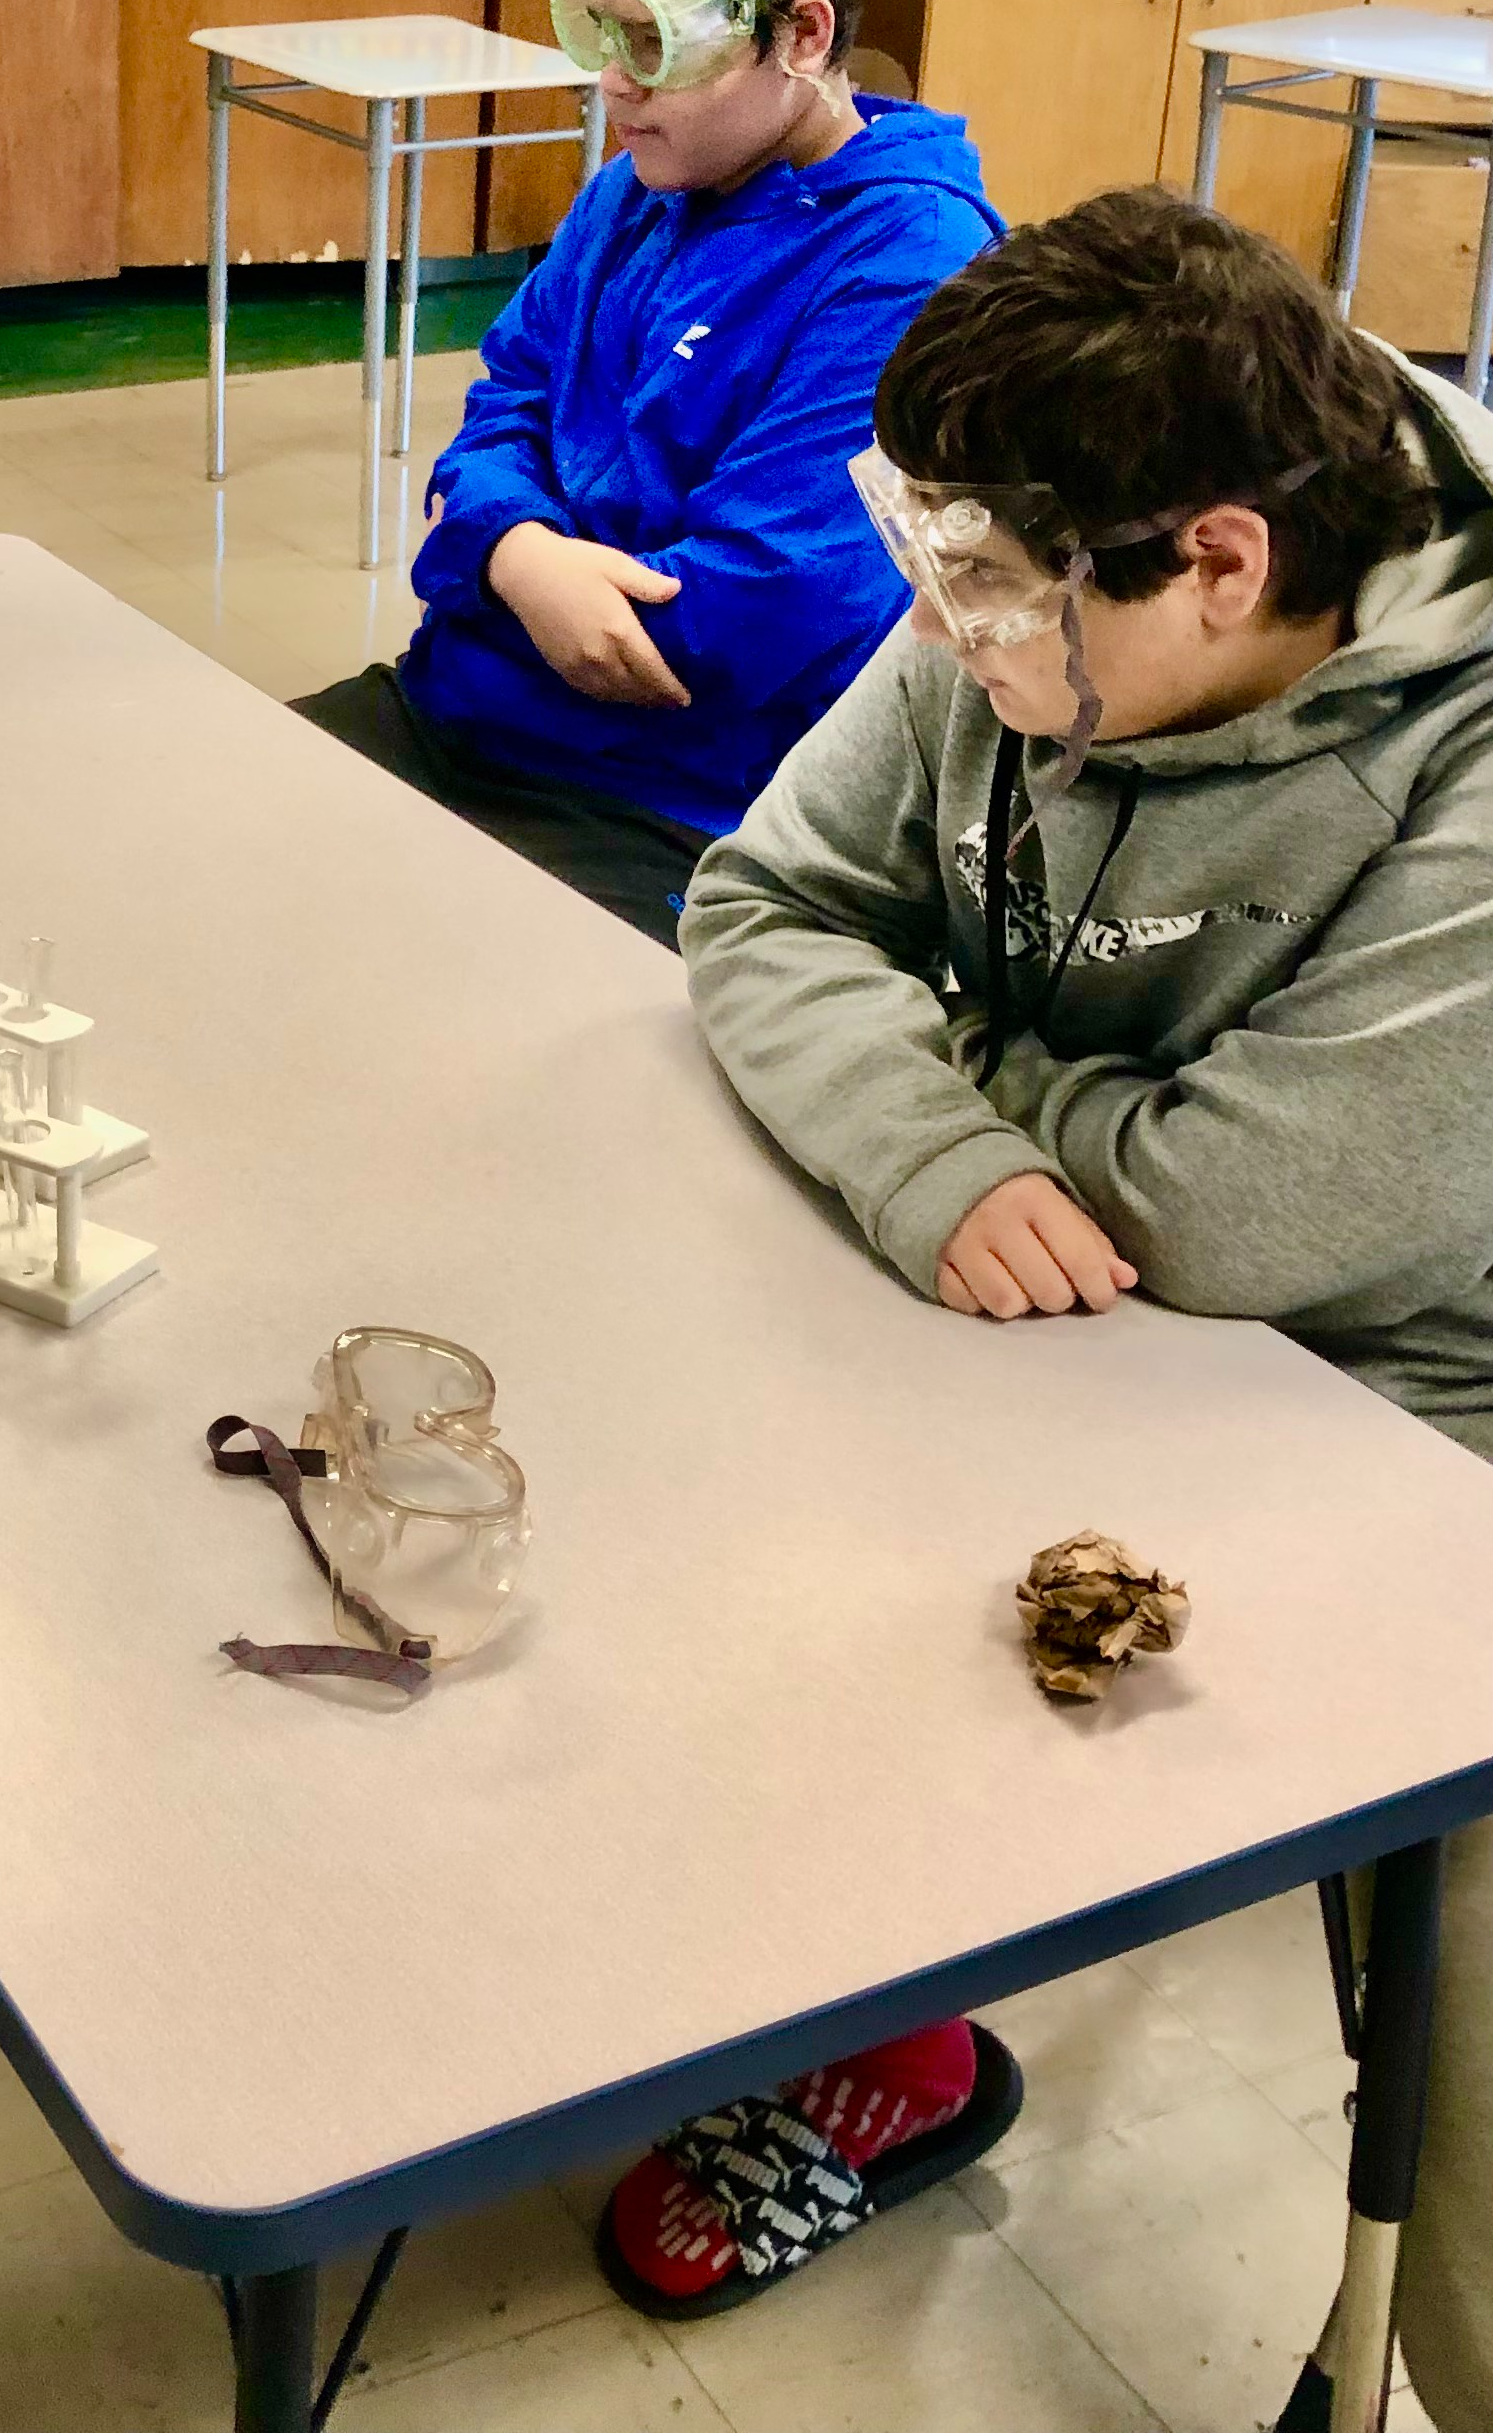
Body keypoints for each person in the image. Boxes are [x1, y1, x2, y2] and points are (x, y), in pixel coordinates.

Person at [612, 190, 1493, 2424]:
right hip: (1048, 1295)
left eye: (998, 604)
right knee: (671, 1506)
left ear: (1213, 561)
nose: (952, 637)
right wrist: (942, 1153)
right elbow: (770, 900)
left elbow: (1256, 1213)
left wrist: (968, 1079)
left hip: (1411, 1405)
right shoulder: (1038, 547)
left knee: (1476, 2072)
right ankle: (870, 2035)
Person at [295, 0, 999, 945]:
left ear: (805, 34)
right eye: (601, 34)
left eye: (658, 44)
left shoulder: (908, 262)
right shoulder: (641, 186)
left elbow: (741, 615)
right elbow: (504, 405)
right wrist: (523, 557)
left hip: (672, 802)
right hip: (460, 712)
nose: (614, 82)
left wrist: (488, 561)